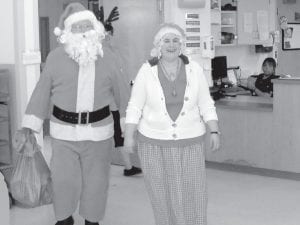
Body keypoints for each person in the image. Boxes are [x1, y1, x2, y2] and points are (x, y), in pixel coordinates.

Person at [13, 3, 128, 225]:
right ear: (67, 32)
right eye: (77, 27)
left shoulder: (109, 57)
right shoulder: (56, 57)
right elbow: (41, 92)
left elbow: (123, 90)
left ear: (94, 28)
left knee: (97, 182)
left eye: (87, 25)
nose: (83, 31)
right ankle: (64, 219)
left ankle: (92, 220)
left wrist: (128, 123)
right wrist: (29, 126)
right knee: (63, 181)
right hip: (63, 134)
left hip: (99, 134)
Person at [123, 23, 220, 225]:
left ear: (182, 45)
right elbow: (135, 106)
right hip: (153, 142)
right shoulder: (146, 71)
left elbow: (205, 103)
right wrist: (129, 136)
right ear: (158, 45)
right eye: (166, 40)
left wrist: (214, 130)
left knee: (194, 193)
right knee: (161, 194)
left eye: (176, 40)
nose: (171, 44)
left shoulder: (194, 69)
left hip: (190, 141)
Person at [97, 6, 142, 176]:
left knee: (119, 136)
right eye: (104, 35)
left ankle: (129, 167)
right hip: (107, 105)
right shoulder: (97, 55)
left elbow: (121, 80)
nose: (108, 38)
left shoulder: (114, 53)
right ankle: (124, 167)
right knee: (107, 137)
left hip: (119, 103)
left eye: (109, 34)